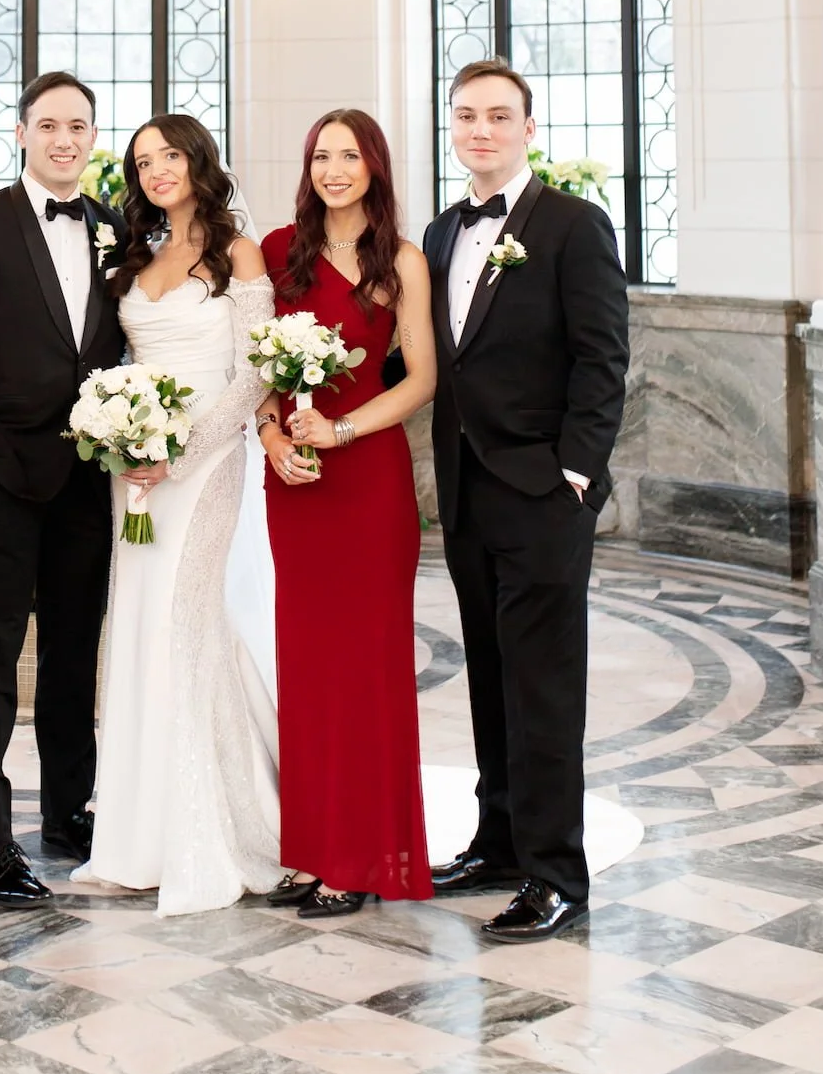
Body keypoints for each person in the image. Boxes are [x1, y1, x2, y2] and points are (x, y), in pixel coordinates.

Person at [423, 57, 629, 942]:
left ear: (529, 130)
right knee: (492, 679)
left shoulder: (576, 226)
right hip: (469, 495)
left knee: (544, 689)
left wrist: (574, 476)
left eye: (498, 117)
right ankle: (499, 840)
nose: (480, 130)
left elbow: (603, 359)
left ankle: (556, 875)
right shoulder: (438, 233)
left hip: (543, 493)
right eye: (466, 115)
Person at [0, 72, 125, 904]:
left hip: (90, 479)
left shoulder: (118, 230)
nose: (65, 141)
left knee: (76, 658)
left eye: (79, 127)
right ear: (19, 133)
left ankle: (69, 811)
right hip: (1, 476)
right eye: (49, 126)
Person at [73, 116, 280, 914]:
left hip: (207, 467)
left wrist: (180, 454)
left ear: (198, 160)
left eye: (168, 155)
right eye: (141, 161)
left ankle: (215, 827)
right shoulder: (137, 253)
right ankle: (135, 834)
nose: (155, 170)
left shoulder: (240, 254)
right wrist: (125, 437)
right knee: (137, 630)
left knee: (185, 629)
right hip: (136, 472)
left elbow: (255, 375)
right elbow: (122, 362)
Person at [260, 110, 437, 920]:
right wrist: (272, 436)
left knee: (365, 671)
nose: (334, 169)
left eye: (350, 155)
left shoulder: (401, 260)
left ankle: (362, 855)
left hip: (366, 479)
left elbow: (421, 380)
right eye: (321, 154)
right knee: (306, 667)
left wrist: (342, 429)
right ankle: (309, 849)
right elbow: (257, 374)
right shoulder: (277, 254)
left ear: (374, 166)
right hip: (295, 485)